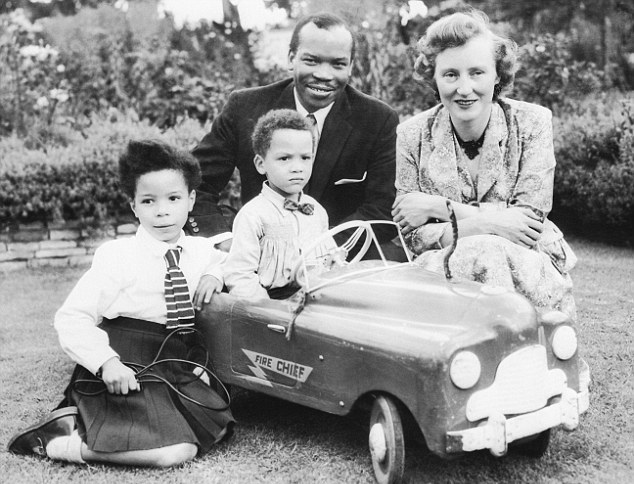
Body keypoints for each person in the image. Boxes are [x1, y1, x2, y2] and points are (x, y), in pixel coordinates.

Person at [7, 140, 234, 467]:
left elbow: (228, 262)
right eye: (148, 201)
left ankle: (83, 426)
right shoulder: (117, 256)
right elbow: (72, 317)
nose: (162, 211)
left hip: (173, 359)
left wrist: (215, 274)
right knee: (175, 452)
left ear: (191, 200)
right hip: (126, 360)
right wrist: (107, 363)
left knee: (215, 429)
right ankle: (58, 443)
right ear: (133, 206)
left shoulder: (201, 251)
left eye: (173, 198)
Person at [392, 9, 577, 317]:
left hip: (525, 268)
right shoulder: (411, 134)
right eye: (451, 74)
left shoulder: (533, 123)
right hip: (443, 271)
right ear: (433, 77)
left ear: (497, 75)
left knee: (490, 252)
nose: (464, 89)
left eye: (477, 73)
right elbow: (412, 236)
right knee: (484, 250)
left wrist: (439, 208)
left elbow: (528, 226)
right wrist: (491, 223)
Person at [189, 12, 403, 259]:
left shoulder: (378, 120)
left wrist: (318, 252)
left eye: (338, 64)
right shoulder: (245, 107)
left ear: (351, 66)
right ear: (291, 58)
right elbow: (194, 183)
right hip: (258, 254)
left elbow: (381, 209)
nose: (324, 75)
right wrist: (225, 241)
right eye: (311, 61)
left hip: (339, 256)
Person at [224, 109, 334, 300]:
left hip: (316, 298)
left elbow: (331, 261)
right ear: (261, 164)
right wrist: (268, 309)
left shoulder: (316, 210)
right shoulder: (254, 215)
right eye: (284, 158)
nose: (297, 168)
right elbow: (240, 275)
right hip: (271, 302)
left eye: (305, 158)